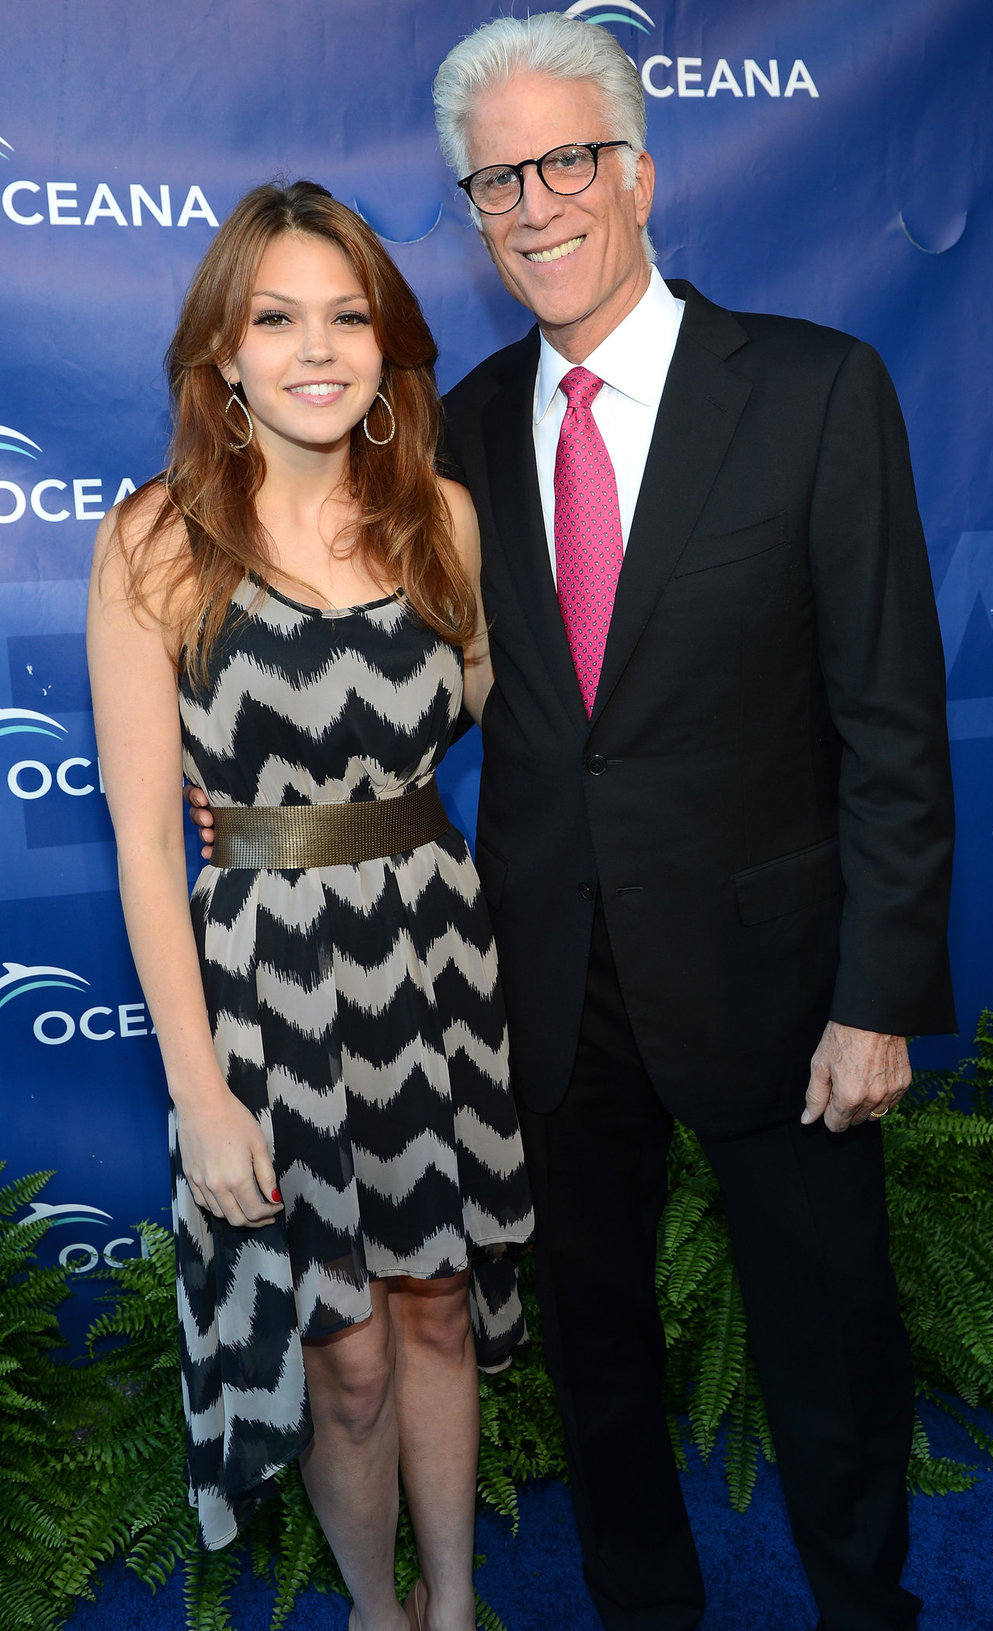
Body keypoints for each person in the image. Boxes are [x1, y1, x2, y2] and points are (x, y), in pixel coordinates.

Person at [189, 18, 955, 1624]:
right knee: (599, 1364)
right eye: (495, 182)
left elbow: (890, 719)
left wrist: (877, 994)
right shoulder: (447, 439)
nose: (533, 207)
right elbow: (396, 676)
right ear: (473, 212)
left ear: (638, 173)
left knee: (827, 1355)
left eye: (565, 164)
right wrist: (270, 806)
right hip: (531, 986)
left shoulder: (818, 389)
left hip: (780, 979)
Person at [88, 180, 532, 1631]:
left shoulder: (441, 520)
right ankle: (374, 1610)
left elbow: (473, 713)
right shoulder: (156, 539)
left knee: (432, 1312)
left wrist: (341, 808)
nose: (316, 347)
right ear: (222, 353)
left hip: (432, 968)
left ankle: (452, 1609)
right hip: (267, 987)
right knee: (339, 1349)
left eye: (347, 315)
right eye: (276, 318)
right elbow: (150, 847)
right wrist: (199, 1095)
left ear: (387, 342)